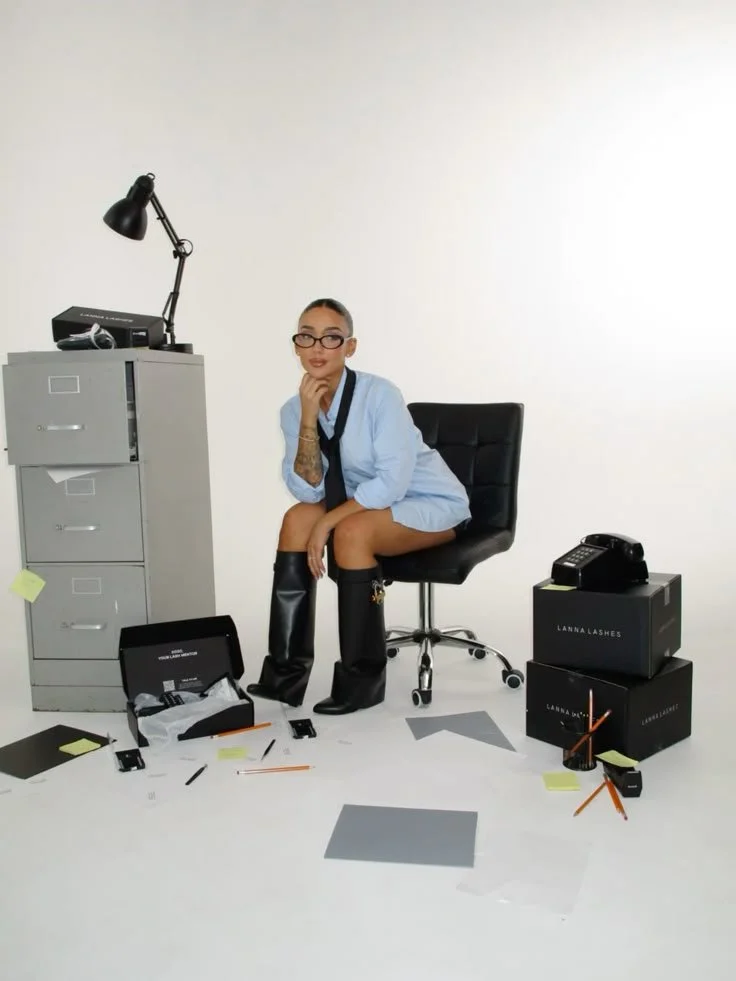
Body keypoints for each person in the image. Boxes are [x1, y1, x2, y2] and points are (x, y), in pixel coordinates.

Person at [247, 298, 471, 715]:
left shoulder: (380, 395)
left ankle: (361, 681)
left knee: (351, 532)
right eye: (306, 336)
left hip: (425, 502)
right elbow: (307, 490)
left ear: (350, 347)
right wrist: (309, 422)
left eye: (331, 337)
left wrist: (329, 522)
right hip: (362, 505)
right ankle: (285, 674)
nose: (317, 347)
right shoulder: (294, 409)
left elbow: (392, 483)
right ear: (295, 346)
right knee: (296, 521)